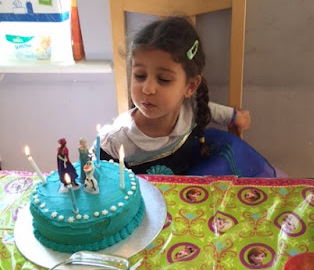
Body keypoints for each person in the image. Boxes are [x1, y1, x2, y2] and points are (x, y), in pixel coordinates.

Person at [97, 16, 254, 176]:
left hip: (188, 191)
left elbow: (208, 109)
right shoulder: (117, 140)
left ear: (190, 86)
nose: (148, 89)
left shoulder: (190, 108)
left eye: (163, 79)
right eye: (140, 76)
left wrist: (234, 117)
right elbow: (96, 177)